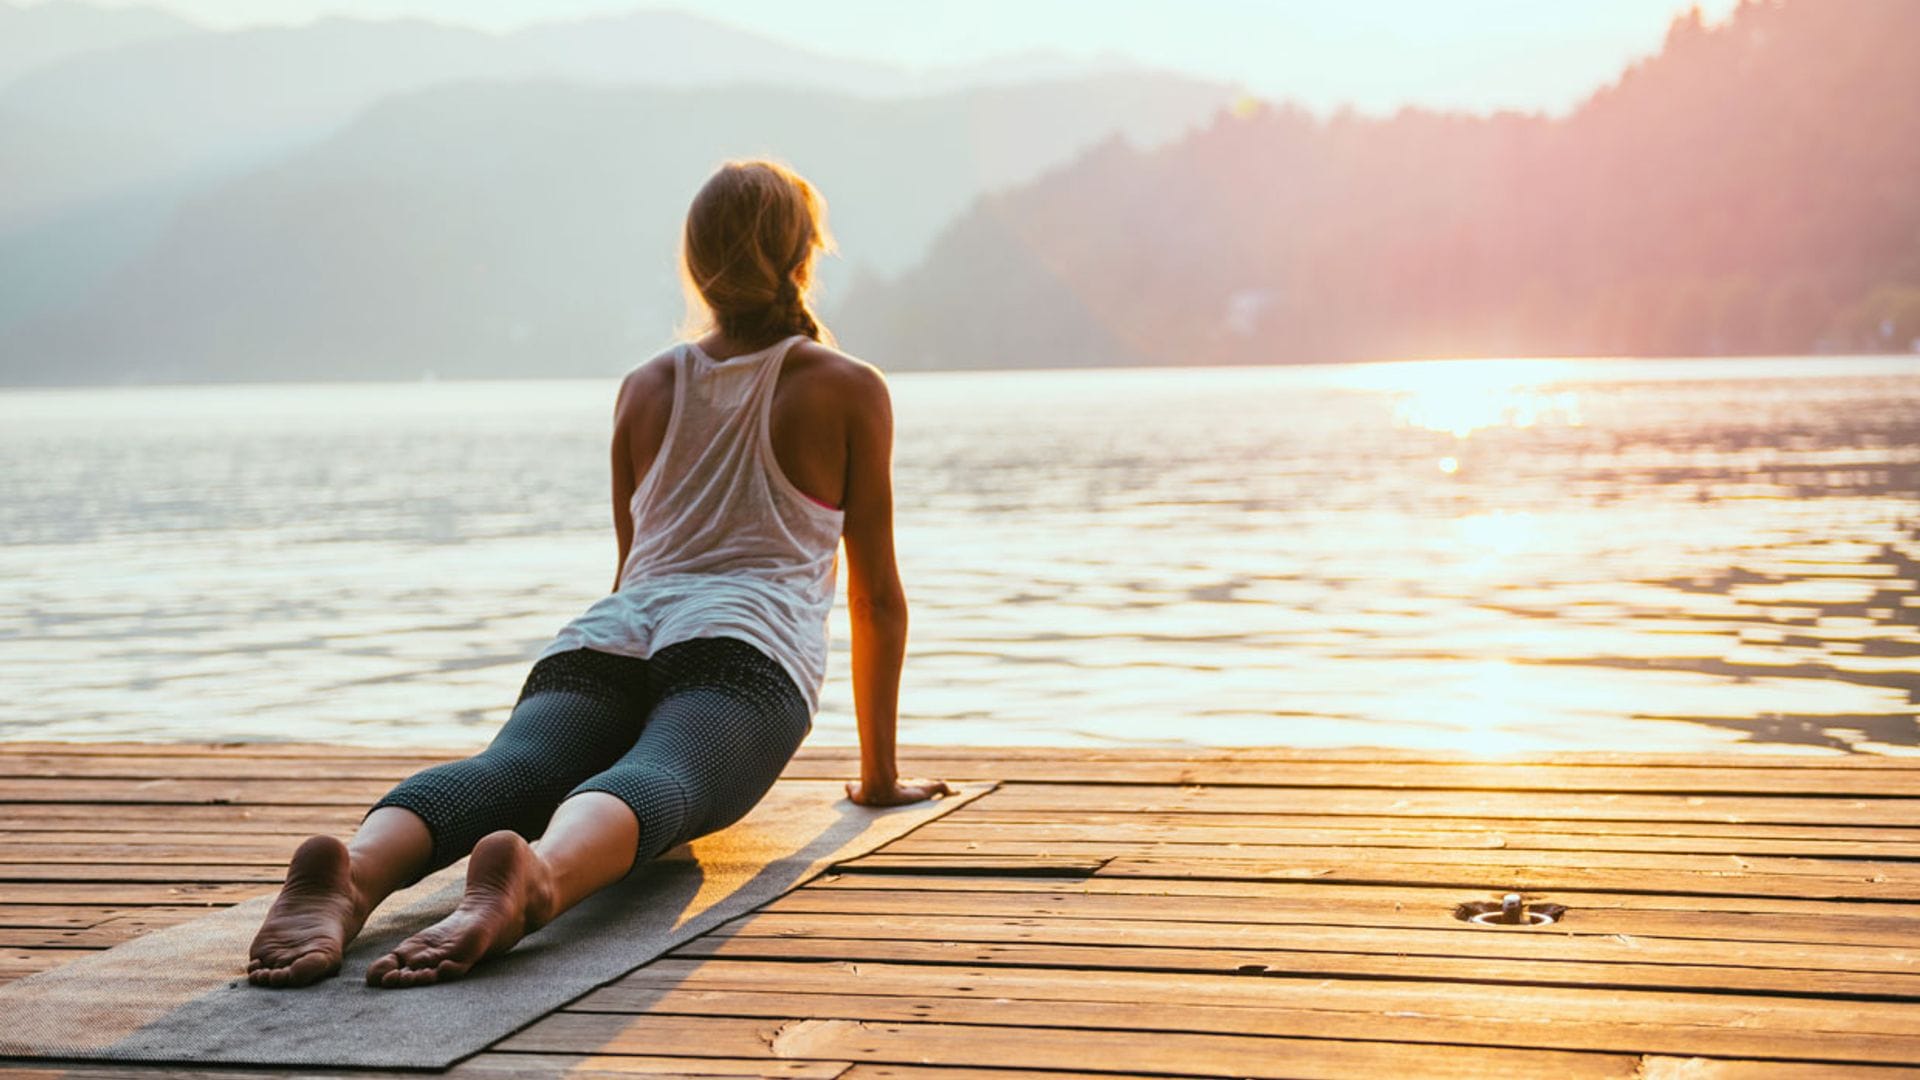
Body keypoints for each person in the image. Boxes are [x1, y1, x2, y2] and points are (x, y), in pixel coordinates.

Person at [245, 159, 951, 990]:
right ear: (804, 257)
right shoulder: (846, 387)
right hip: (742, 651)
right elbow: (874, 597)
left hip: (607, 638)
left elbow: (632, 565)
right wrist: (875, 779)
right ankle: (536, 878)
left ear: (696, 266)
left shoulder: (645, 386)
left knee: (505, 772)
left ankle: (357, 869)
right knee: (662, 779)